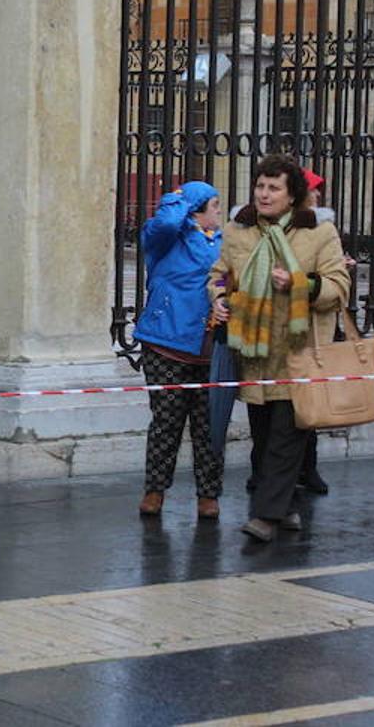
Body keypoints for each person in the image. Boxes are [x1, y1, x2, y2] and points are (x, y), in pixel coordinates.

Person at [209, 154, 349, 542]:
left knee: (289, 434)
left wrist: (300, 283)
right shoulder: (239, 229)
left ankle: (266, 516)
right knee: (266, 435)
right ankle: (285, 507)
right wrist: (219, 299)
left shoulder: (319, 233)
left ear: (293, 196)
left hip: (299, 351)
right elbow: (221, 276)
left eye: (274, 188)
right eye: (260, 186)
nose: (264, 194)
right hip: (254, 354)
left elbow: (338, 286)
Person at [131, 181, 225, 520]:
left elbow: (230, 276)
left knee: (208, 425)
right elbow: (168, 222)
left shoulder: (222, 243)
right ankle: (155, 490)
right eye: (214, 205)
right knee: (167, 421)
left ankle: (208, 494)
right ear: (196, 210)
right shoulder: (166, 237)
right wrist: (181, 198)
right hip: (165, 343)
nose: (219, 212)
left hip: (209, 345)